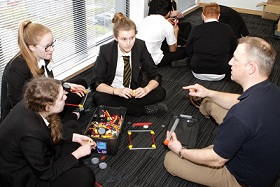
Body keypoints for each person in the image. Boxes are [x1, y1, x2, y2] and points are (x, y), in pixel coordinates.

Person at [164, 36, 280, 187]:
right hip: (262, 160)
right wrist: (208, 92)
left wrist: (180, 151)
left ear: (251, 68)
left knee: (170, 160)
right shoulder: (273, 90)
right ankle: (206, 108)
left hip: (241, 178)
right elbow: (239, 99)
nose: (229, 62)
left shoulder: (240, 116)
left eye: (235, 59)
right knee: (210, 103)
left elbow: (217, 159)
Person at [0, 77, 96, 187]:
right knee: (85, 176)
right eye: (61, 98)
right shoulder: (32, 133)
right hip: (24, 177)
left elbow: (48, 128)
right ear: (47, 107)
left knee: (73, 126)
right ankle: (72, 166)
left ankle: (71, 166)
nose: (65, 97)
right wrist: (78, 154)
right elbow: (47, 173)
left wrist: (75, 137)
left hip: (35, 155)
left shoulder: (31, 103)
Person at [1, 20, 87, 126]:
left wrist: (65, 85)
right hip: (27, 114)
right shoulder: (16, 69)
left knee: (80, 83)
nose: (52, 49)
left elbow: (47, 82)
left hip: (44, 102)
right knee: (72, 124)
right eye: (47, 46)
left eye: (52, 44)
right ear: (31, 47)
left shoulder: (43, 56)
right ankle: (69, 118)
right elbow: (20, 107)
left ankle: (63, 119)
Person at [90, 12, 167, 117]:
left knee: (160, 91)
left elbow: (155, 75)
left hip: (134, 90)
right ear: (116, 38)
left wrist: (146, 90)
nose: (128, 43)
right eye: (124, 39)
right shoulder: (106, 50)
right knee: (98, 98)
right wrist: (117, 91)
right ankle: (144, 110)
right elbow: (96, 83)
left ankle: (120, 108)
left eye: (132, 38)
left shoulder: (140, 46)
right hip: (113, 91)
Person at [185, 3, 237, 81]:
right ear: (218, 16)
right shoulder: (227, 28)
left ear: (202, 15)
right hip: (221, 71)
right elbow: (234, 47)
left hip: (197, 70)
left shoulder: (196, 29)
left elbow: (189, 48)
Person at [137, 0, 191, 67]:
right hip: (152, 61)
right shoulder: (167, 25)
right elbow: (173, 50)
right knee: (185, 50)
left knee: (164, 44)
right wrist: (176, 31)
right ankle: (183, 61)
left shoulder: (146, 19)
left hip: (138, 57)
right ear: (169, 13)